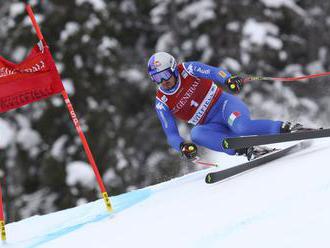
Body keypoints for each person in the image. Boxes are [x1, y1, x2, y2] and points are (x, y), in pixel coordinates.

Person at [147, 52, 302, 161]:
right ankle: (248, 150)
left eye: (165, 75)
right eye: (157, 78)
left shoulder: (188, 69)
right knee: (196, 134)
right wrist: (181, 146)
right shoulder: (162, 102)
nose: (163, 81)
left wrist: (228, 79)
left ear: (174, 69)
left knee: (241, 127)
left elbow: (214, 72)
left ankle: (287, 128)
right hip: (211, 125)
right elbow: (171, 134)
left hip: (224, 106)